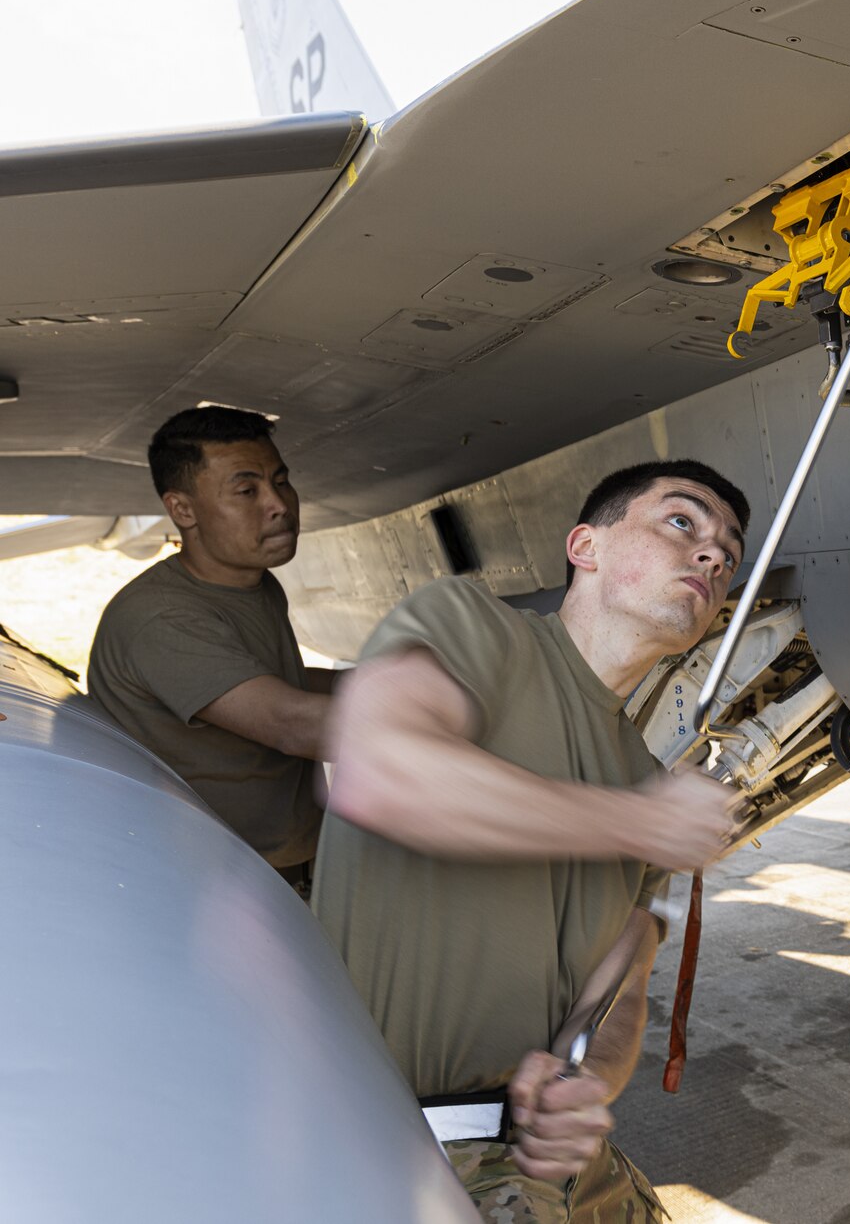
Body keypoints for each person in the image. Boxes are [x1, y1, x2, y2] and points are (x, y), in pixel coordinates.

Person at [315, 460, 747, 1223]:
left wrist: (591, 1082)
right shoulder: (476, 629)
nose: (712, 555)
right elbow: (378, 769)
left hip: (553, 1165)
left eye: (728, 552)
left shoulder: (643, 774)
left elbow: (617, 994)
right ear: (586, 545)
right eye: (682, 523)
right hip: (408, 1151)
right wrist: (639, 822)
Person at [88, 405, 333, 880]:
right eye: (247, 491)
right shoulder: (162, 618)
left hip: (291, 865)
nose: (279, 503)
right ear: (182, 509)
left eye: (280, 481)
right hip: (228, 888)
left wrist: (383, 680)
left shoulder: (251, 582)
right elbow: (294, 725)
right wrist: (461, 717)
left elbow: (272, 682)